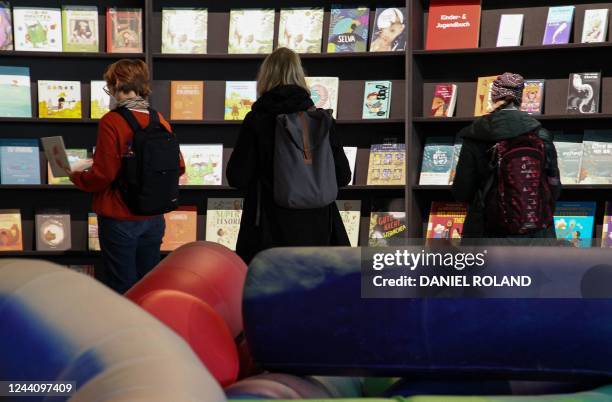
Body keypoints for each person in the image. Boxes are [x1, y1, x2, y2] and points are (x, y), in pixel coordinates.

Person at [226, 47, 352, 264]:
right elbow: (343, 176)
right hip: (318, 229)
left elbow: (237, 177)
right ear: (299, 75)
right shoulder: (320, 120)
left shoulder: (257, 120)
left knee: (273, 294)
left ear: (265, 76)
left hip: (268, 231)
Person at [70, 59, 184, 292]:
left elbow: (104, 175)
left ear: (117, 84)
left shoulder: (111, 121)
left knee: (122, 286)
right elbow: (179, 166)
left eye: (109, 86)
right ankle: (147, 327)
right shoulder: (159, 119)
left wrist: (76, 176)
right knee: (148, 285)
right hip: (153, 218)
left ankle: (125, 329)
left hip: (119, 217)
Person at [452, 72, 561, 240]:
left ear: (493, 97)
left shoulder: (475, 136)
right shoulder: (540, 135)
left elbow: (462, 192)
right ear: (520, 98)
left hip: (486, 232)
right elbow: (554, 186)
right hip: (536, 233)